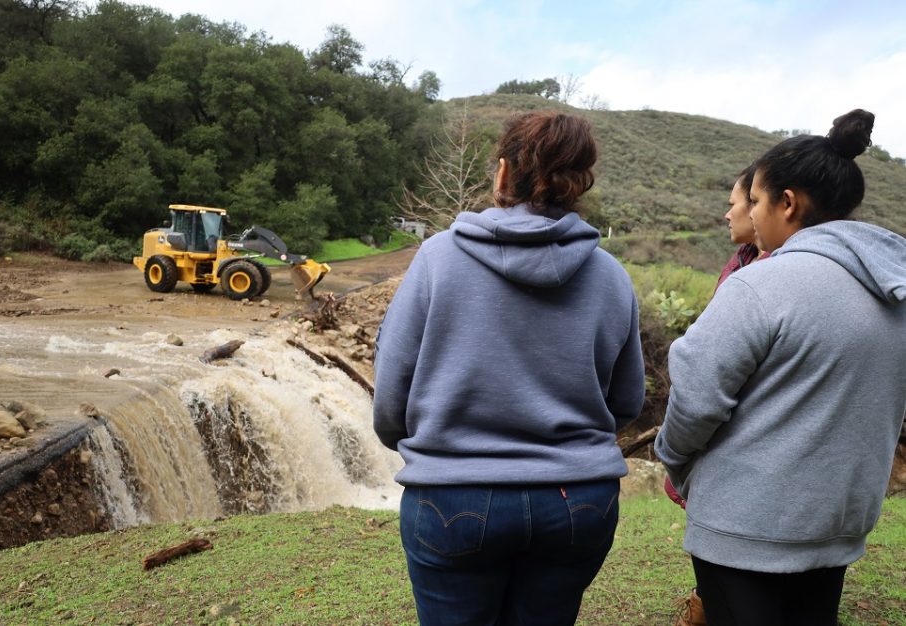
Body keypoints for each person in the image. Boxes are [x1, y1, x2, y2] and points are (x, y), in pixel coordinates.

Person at [373, 111, 645, 626]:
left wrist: (420, 445)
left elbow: (392, 389)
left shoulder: (437, 258)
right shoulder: (611, 276)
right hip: (577, 501)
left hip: (453, 495)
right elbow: (627, 401)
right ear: (580, 182)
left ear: (502, 173)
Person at [655, 109, 906, 626]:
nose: (746, 212)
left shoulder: (760, 285)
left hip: (746, 530)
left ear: (787, 203)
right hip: (836, 527)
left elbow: (695, 398)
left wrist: (677, 461)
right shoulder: (894, 292)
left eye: (754, 199)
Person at [664, 164, 770, 626]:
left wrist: (673, 452)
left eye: (737, 203)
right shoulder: (742, 264)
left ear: (772, 204)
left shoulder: (763, 281)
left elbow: (705, 391)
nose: (727, 213)